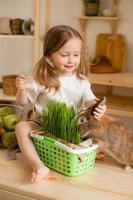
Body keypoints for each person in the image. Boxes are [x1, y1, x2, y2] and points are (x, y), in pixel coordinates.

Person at [15, 25, 106, 183]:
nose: (71, 60)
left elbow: (92, 101)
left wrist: (99, 107)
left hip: (73, 126)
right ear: (50, 56)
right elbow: (23, 103)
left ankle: (89, 151)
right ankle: (39, 166)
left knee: (102, 126)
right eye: (64, 55)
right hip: (43, 124)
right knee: (21, 127)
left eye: (76, 55)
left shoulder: (81, 82)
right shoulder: (39, 80)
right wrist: (21, 89)